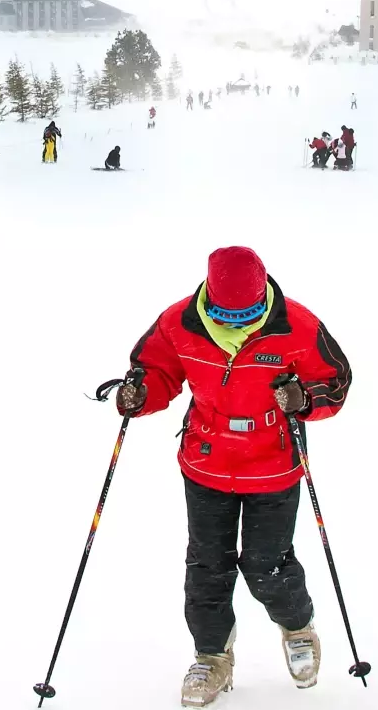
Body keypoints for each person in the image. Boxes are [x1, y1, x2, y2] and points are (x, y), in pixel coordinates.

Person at [118, 247, 352, 708]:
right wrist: (139, 393)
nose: (236, 322)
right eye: (225, 314)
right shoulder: (179, 322)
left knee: (267, 564)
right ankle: (212, 656)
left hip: (273, 464)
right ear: (208, 299)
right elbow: (157, 371)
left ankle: (298, 628)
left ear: (264, 297)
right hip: (206, 461)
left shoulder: (297, 326)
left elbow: (337, 382)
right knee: (207, 565)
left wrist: (303, 398)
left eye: (247, 313)